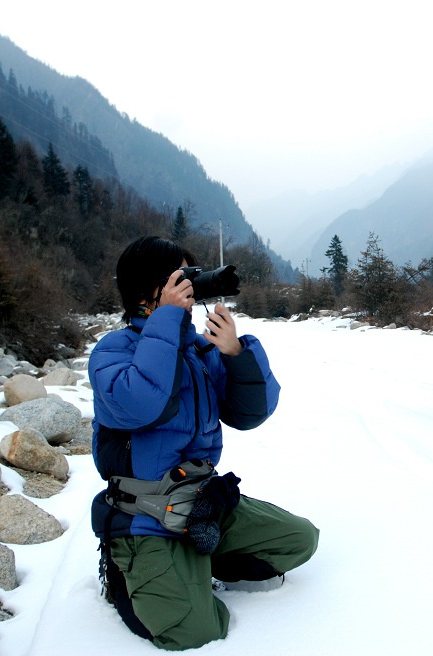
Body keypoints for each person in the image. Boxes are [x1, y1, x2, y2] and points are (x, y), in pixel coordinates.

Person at [88, 236, 319, 649]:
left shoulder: (199, 350)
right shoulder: (114, 351)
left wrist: (235, 353)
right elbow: (144, 403)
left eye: (190, 276)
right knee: (197, 631)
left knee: (299, 540)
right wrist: (167, 322)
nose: (190, 287)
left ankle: (196, 562)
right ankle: (125, 576)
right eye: (179, 276)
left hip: (204, 503)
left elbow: (250, 414)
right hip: (146, 517)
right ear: (146, 289)